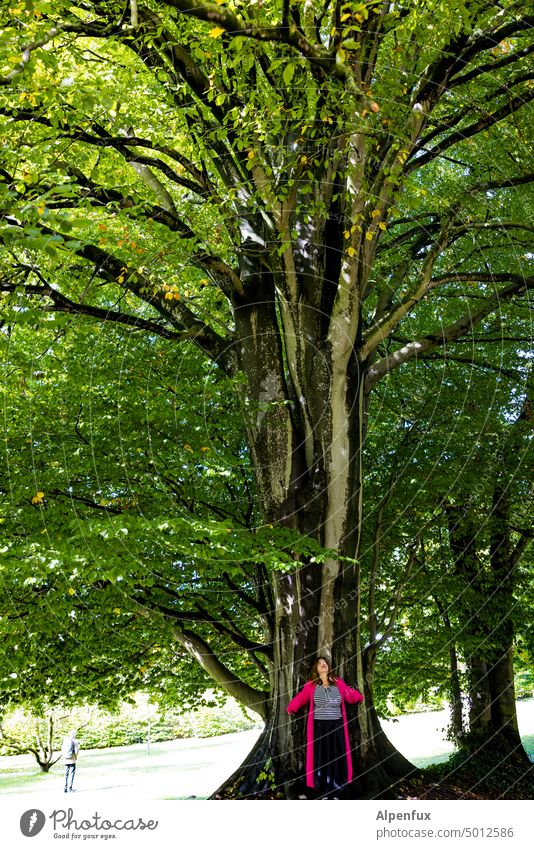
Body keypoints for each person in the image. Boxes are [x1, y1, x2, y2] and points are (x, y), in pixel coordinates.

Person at [287, 656, 364, 798]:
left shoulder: (338, 682)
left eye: (325, 663)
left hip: (337, 726)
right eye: (320, 664)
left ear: (328, 667)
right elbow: (301, 697)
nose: (323, 665)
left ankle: (337, 789)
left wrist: (359, 697)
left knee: (337, 756)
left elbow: (348, 694)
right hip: (319, 728)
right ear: (316, 669)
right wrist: (291, 708)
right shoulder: (311, 685)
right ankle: (323, 790)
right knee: (321, 758)